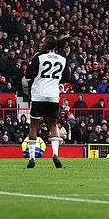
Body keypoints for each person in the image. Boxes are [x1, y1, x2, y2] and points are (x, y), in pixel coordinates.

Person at [24, 34, 71, 169]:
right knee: (53, 126)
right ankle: (55, 154)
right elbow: (67, 77)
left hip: (38, 95)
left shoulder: (38, 57)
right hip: (53, 96)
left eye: (43, 42)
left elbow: (28, 75)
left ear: (47, 44)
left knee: (33, 126)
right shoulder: (62, 59)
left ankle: (32, 157)